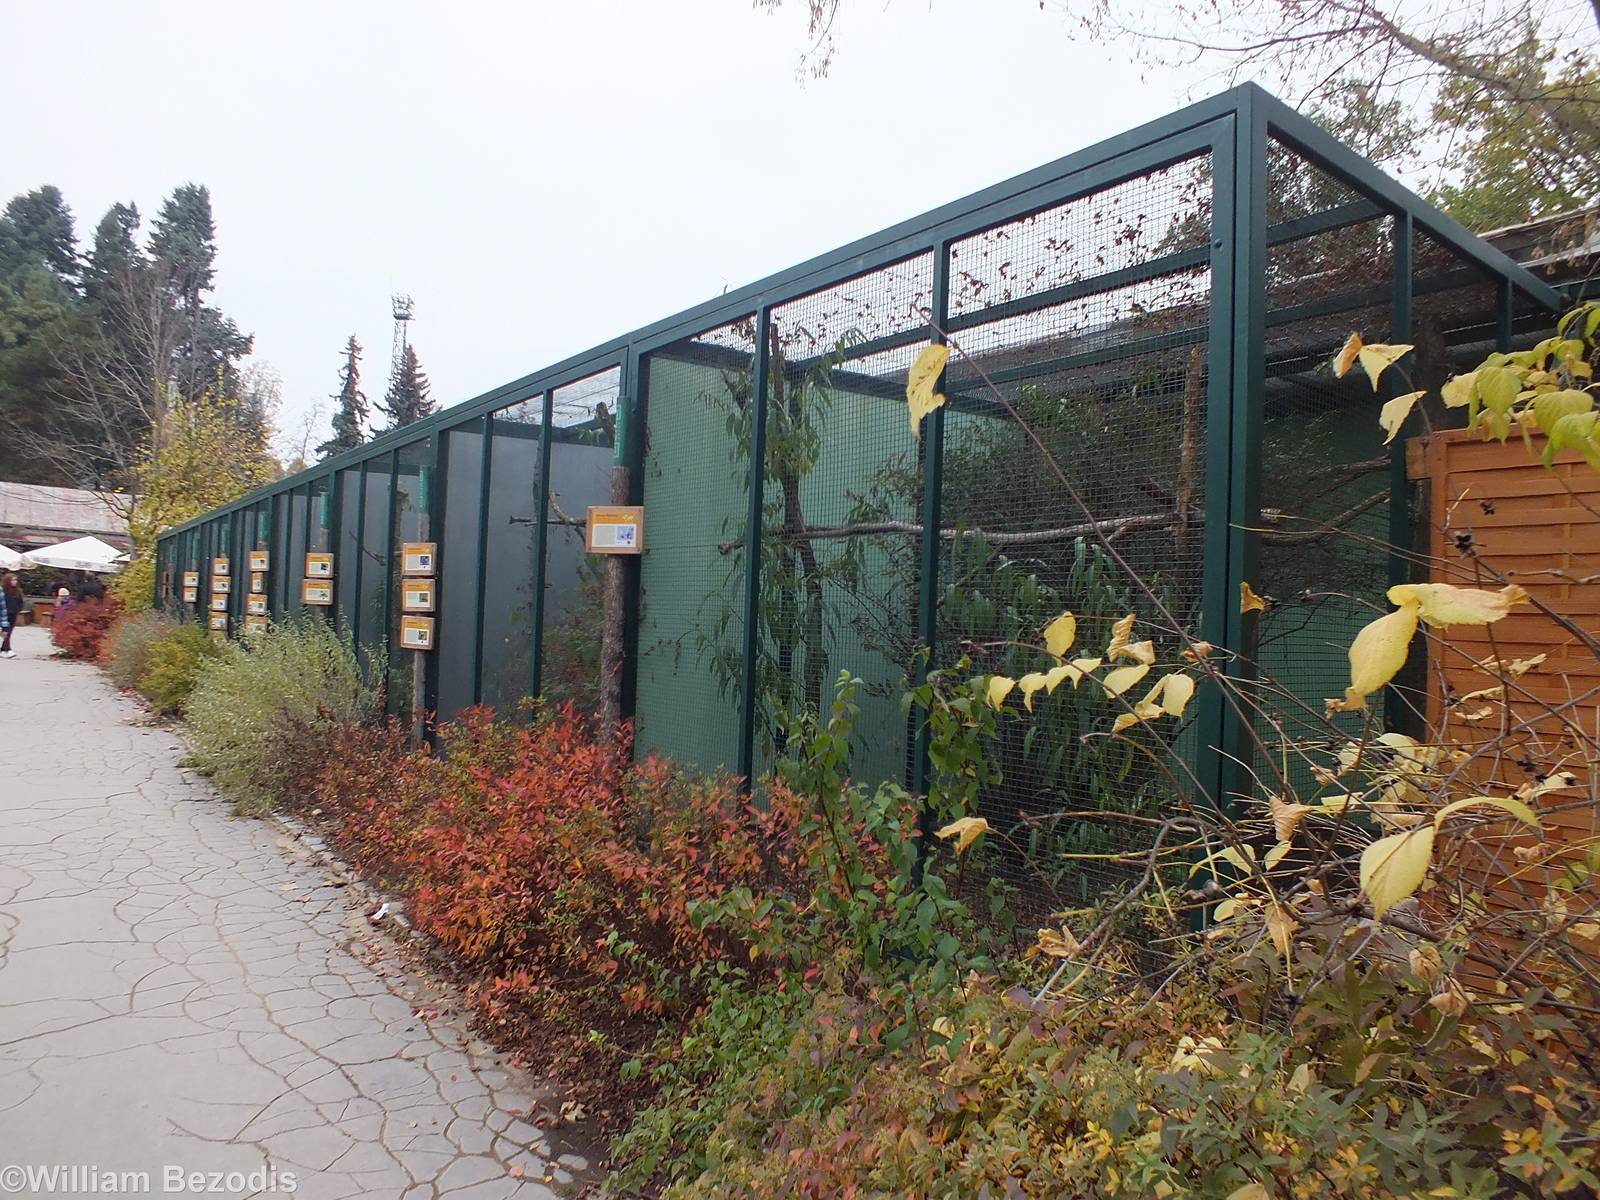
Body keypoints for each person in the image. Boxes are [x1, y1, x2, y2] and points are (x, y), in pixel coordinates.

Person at [1, 573, 23, 658]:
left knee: (8, 632)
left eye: (15, 580)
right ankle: (7, 649)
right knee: (6, 632)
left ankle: (4, 649)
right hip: (4, 614)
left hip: (13, 614)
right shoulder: (3, 591)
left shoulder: (18, 591)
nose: (14, 582)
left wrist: (18, 610)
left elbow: (20, 602)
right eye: (12, 580)